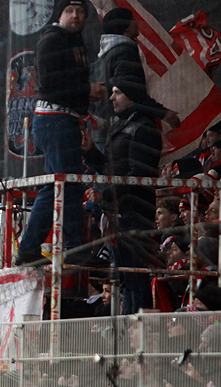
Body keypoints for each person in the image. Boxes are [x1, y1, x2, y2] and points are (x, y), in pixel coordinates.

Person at [16, 0, 105, 266]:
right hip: (54, 119)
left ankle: (31, 248)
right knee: (67, 184)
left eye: (81, 12)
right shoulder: (52, 41)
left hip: (64, 119)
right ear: (60, 14)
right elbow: (49, 84)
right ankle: (73, 248)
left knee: (60, 185)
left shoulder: (76, 43)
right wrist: (85, 90)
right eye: (70, 11)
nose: (75, 16)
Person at [87, 80, 163, 313]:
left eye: (118, 93)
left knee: (135, 278)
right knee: (125, 280)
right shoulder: (122, 125)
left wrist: (105, 194)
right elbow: (109, 168)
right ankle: (129, 328)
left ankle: (139, 329)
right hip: (118, 213)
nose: (112, 98)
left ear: (132, 95)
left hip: (134, 213)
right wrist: (89, 150)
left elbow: (138, 175)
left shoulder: (144, 129)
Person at [91, 7, 180, 149]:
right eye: (132, 19)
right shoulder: (124, 52)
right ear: (126, 27)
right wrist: (162, 112)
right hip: (122, 132)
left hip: (104, 133)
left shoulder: (103, 58)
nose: (136, 22)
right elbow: (130, 90)